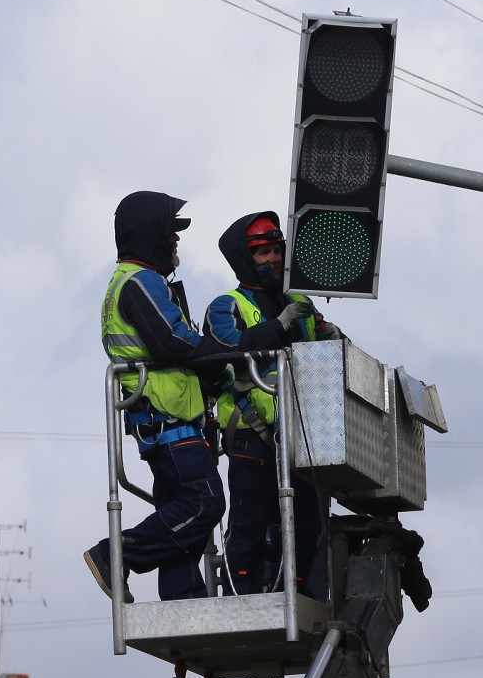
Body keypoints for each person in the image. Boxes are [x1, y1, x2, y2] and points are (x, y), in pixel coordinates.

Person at [84, 190, 233, 602]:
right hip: (169, 423)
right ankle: (115, 554)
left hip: (168, 422)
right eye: (172, 232)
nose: (177, 241)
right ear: (152, 234)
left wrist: (213, 373)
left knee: (178, 512)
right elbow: (172, 343)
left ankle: (185, 600)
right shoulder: (139, 281)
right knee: (204, 504)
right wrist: (229, 349)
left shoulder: (138, 281)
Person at [204, 211, 341, 599]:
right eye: (263, 252)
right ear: (244, 259)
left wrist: (332, 334)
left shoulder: (299, 301)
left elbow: (327, 355)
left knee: (308, 523)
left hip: (302, 434)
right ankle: (240, 599)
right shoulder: (225, 306)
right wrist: (279, 324)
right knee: (250, 521)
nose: (273, 259)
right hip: (251, 434)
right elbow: (227, 349)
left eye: (276, 250)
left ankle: (296, 594)